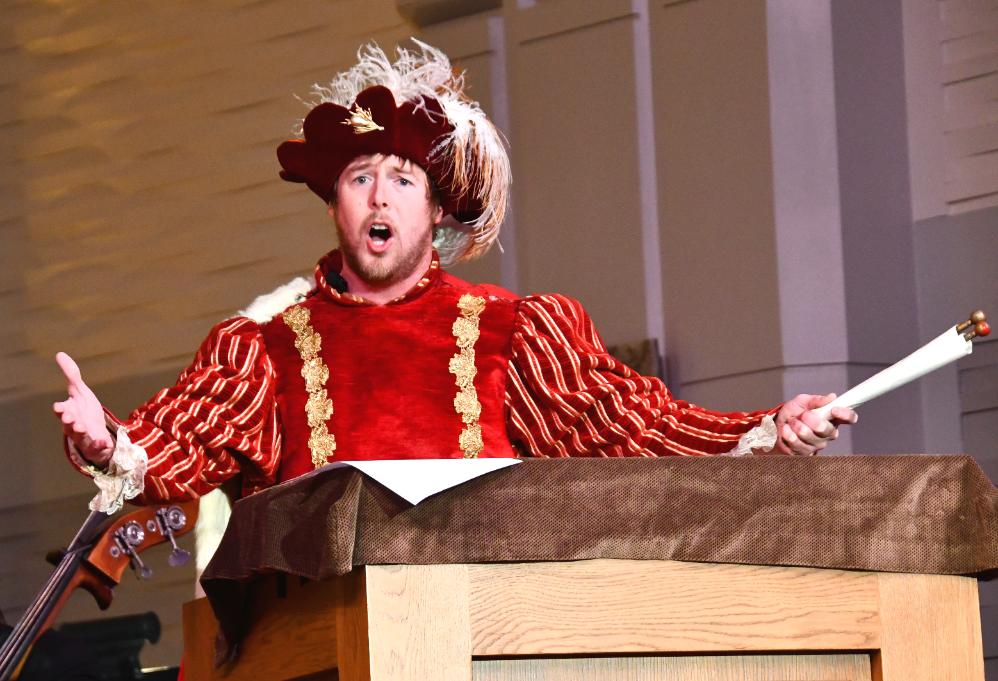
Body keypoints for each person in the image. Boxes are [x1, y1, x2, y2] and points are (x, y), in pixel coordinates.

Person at [52, 40, 856, 514]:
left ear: (436, 209)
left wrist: (766, 428)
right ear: (334, 203)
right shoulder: (262, 352)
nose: (379, 195)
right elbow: (182, 443)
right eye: (360, 177)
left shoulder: (517, 334)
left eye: (402, 179)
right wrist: (106, 440)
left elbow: (631, 429)